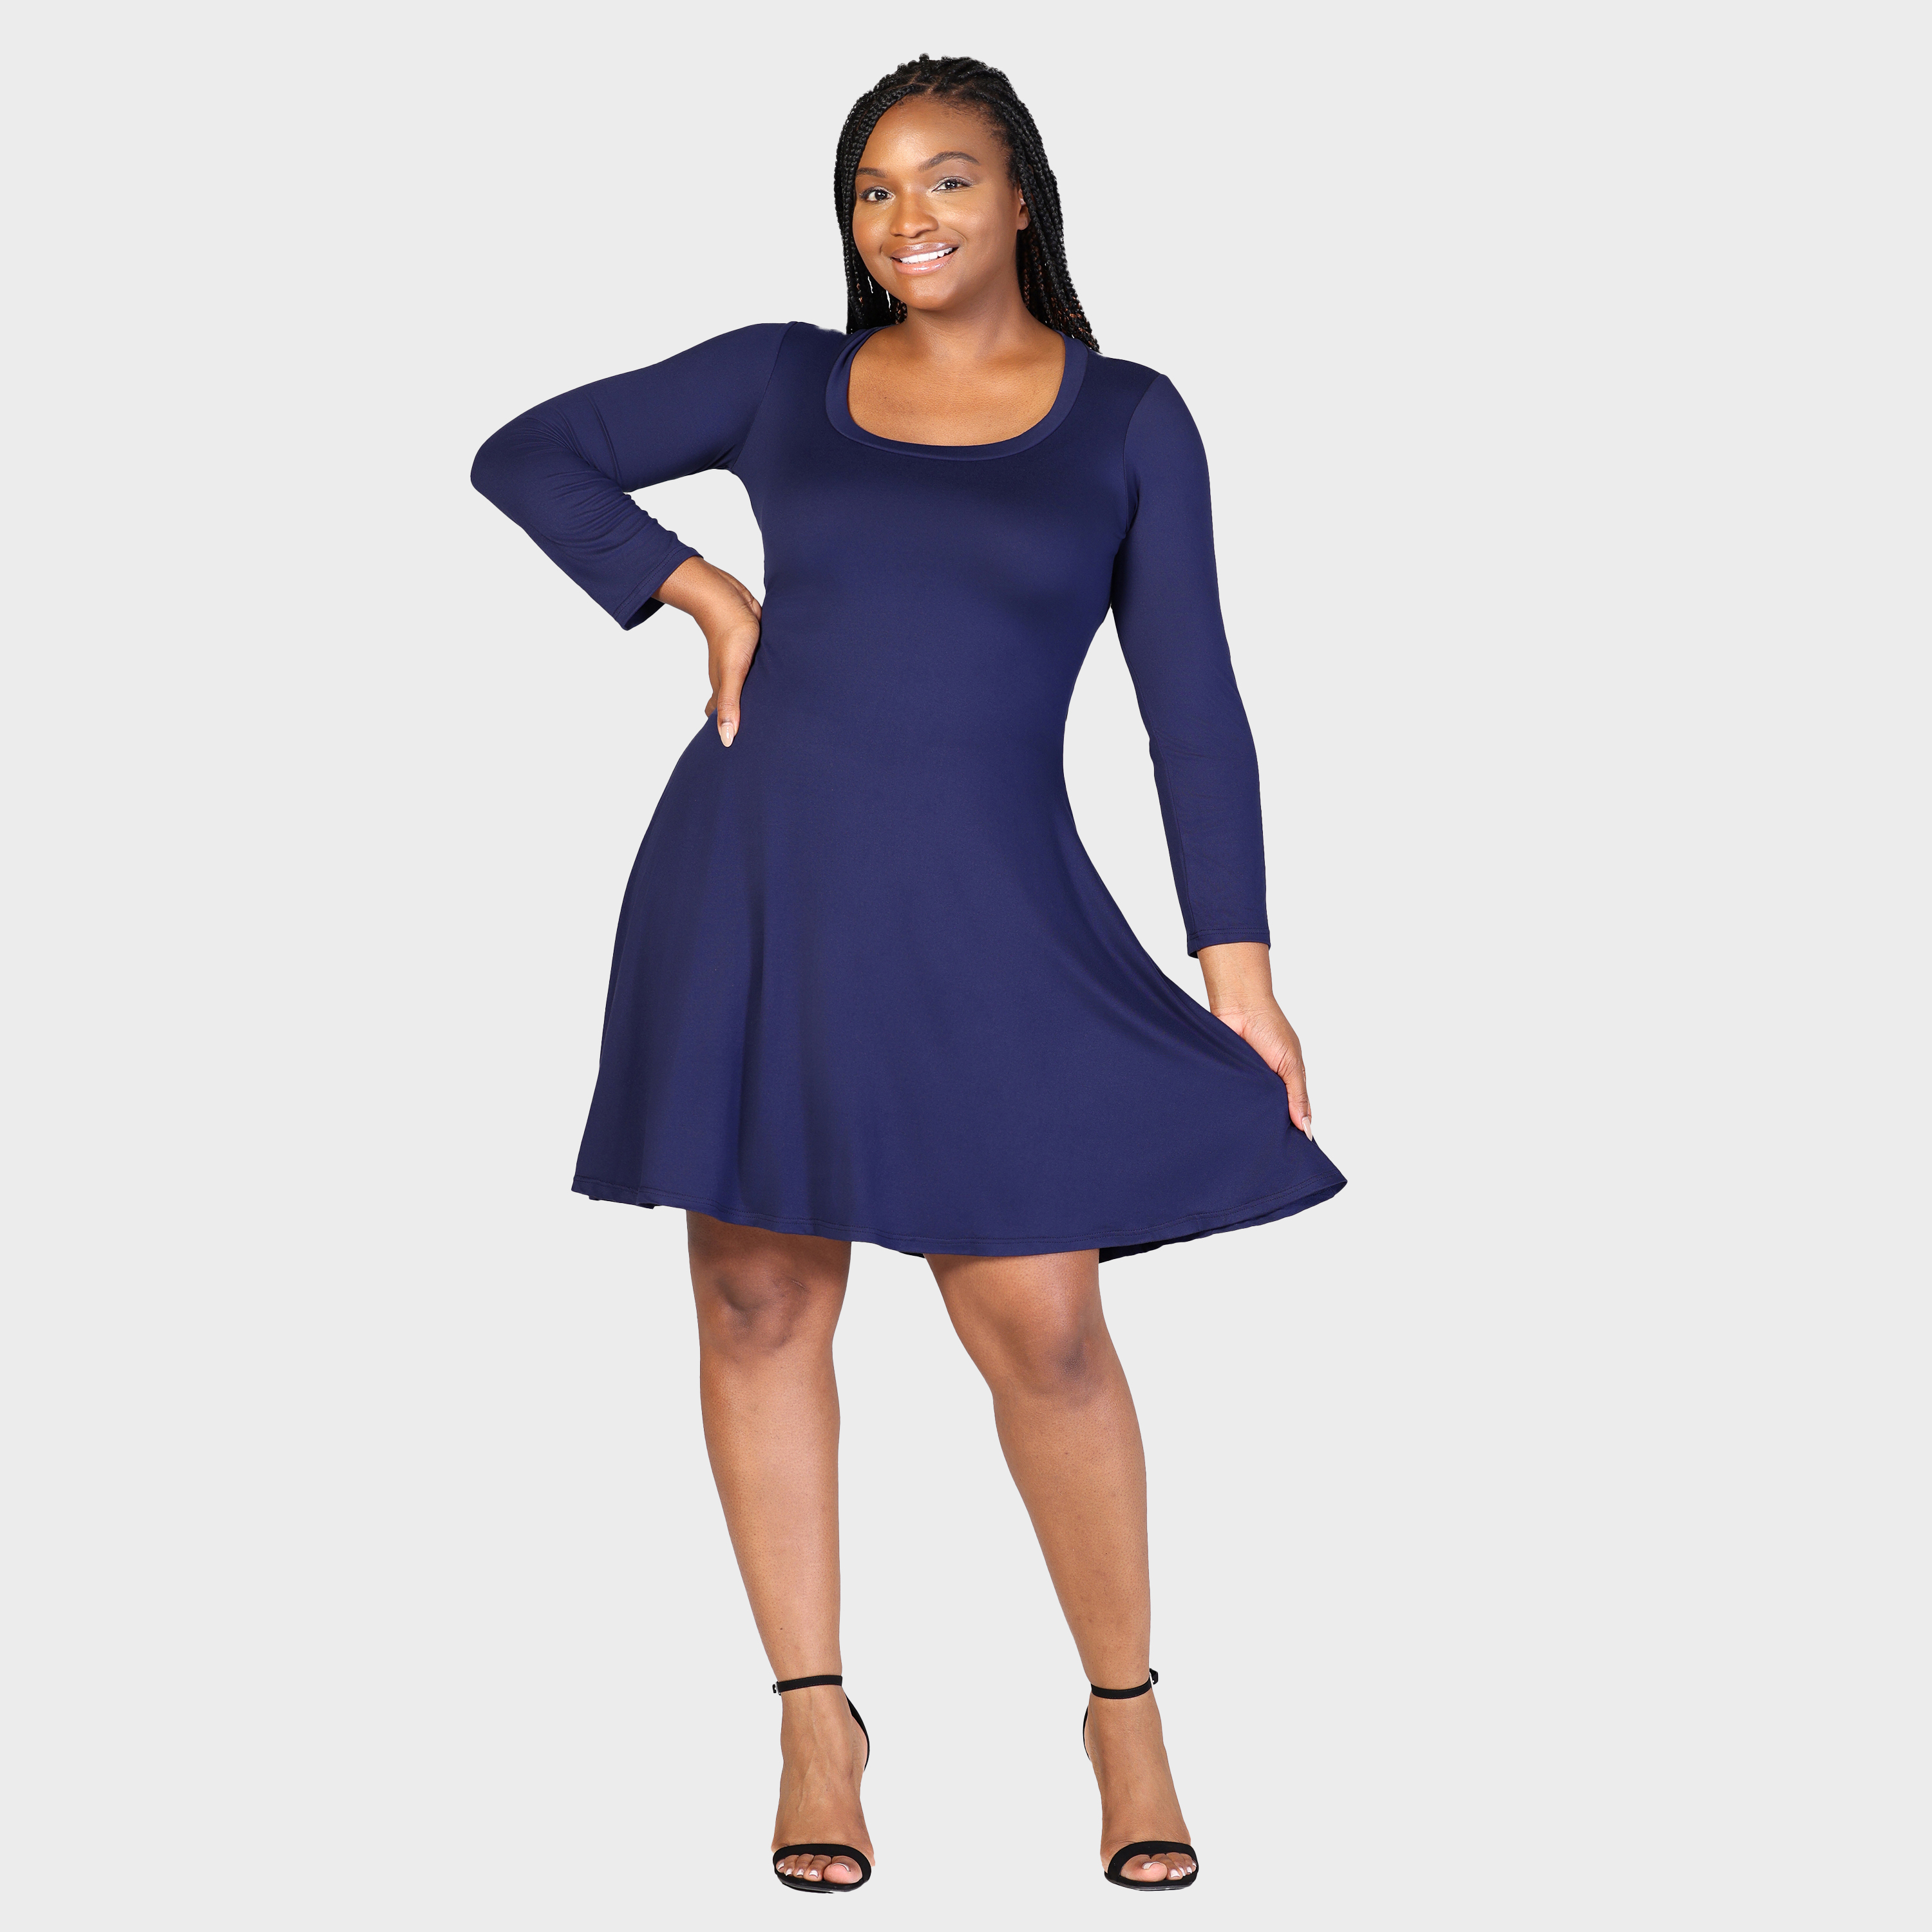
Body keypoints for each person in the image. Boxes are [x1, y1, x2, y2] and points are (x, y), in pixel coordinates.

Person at [472, 52, 1345, 1895]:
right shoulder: (783, 378)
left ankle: (1126, 1715)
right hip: (759, 885)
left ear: (1021, 195)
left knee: (1043, 1326)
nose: (908, 217)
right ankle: (816, 1720)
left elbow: (1193, 701)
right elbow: (527, 451)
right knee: (758, 1304)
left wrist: (1242, 969)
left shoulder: (1128, 419)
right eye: (874, 189)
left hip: (990, 917)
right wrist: (698, 587)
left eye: (947, 178)